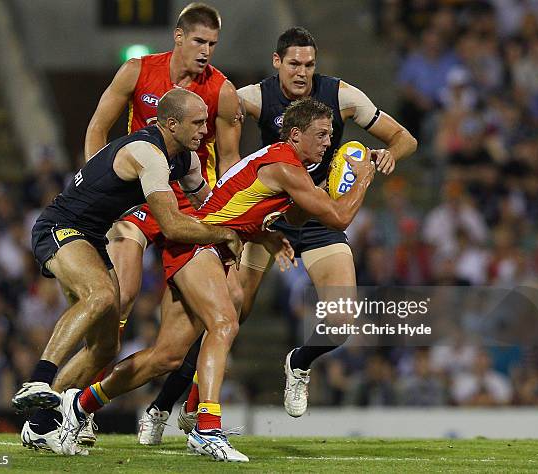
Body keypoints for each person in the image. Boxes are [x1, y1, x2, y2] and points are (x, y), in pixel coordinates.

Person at [57, 98, 376, 462]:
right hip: (200, 243)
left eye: (330, 134)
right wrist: (362, 178)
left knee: (166, 357)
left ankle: (79, 405)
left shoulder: (291, 165)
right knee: (224, 323)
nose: (327, 142)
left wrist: (272, 232)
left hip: (202, 246)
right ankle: (206, 427)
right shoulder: (285, 166)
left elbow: (294, 217)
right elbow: (339, 217)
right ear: (295, 134)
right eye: (321, 134)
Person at [141, 26, 417, 441]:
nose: (302, 73)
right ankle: (166, 407)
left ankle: (299, 363)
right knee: (228, 313)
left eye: (309, 64)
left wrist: (384, 157)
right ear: (277, 62)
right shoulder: (252, 96)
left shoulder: (341, 96)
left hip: (319, 216)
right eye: (294, 64)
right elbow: (221, 140)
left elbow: (404, 139)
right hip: (268, 220)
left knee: (341, 318)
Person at [13, 89, 243, 454]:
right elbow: (173, 226)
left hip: (90, 237)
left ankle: (40, 426)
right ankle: (38, 380)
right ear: (171, 124)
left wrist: (253, 219)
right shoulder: (146, 153)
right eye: (198, 123)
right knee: (101, 296)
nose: (205, 130)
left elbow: (207, 206)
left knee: (106, 348)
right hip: (59, 226)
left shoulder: (188, 160)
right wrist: (226, 234)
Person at [82, 2, 243, 446]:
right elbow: (99, 127)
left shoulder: (223, 93)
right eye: (198, 41)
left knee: (209, 318)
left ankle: (179, 404)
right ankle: (77, 403)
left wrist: (228, 220)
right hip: (138, 199)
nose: (206, 51)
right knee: (121, 296)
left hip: (189, 207)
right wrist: (97, 190)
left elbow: (229, 164)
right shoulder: (137, 71)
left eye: (213, 43)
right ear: (178, 37)